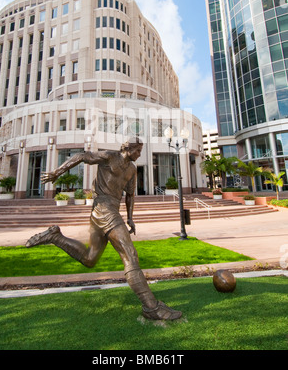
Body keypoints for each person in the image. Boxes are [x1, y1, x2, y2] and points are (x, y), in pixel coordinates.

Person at [26, 137, 182, 321]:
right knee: (130, 255)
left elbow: (130, 195)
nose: (140, 154)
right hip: (104, 208)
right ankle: (151, 307)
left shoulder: (132, 169)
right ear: (128, 148)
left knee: (90, 259)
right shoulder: (109, 157)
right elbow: (82, 156)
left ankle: (55, 237)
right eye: (138, 150)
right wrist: (56, 172)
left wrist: (131, 218)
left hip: (108, 211)